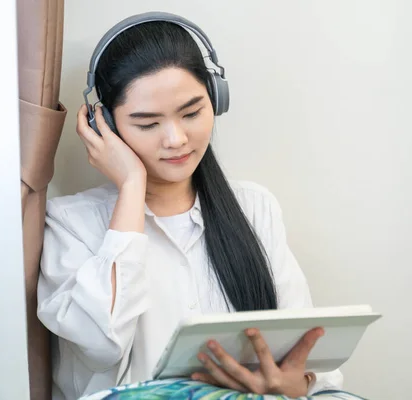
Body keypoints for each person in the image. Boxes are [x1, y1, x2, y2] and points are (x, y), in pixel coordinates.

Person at [37, 14, 343, 400]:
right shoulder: (69, 224)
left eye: (192, 113)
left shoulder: (254, 207)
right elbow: (100, 343)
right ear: (106, 127)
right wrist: (132, 185)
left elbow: (306, 356)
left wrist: (297, 385)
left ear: (216, 99)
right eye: (147, 124)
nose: (176, 139)